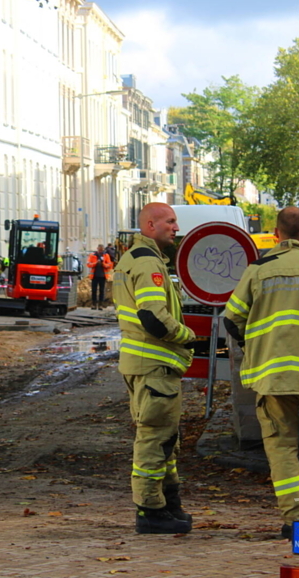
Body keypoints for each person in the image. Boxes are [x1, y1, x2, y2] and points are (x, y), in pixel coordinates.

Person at [112, 202, 198, 534]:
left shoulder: (134, 259)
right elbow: (152, 316)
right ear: (150, 225)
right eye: (170, 221)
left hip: (145, 364)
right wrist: (188, 336)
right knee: (154, 439)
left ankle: (167, 505)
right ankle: (150, 511)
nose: (176, 227)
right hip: (154, 364)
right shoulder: (148, 263)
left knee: (165, 440)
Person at [223, 206, 299, 540]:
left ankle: (296, 519)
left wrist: (254, 345)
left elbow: (231, 319)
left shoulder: (259, 270)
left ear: (276, 234)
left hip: (275, 376)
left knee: (282, 447)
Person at [86, 244, 114, 310]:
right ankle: (93, 304)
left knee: (102, 291)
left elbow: (109, 265)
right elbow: (88, 264)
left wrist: (103, 264)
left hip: (103, 276)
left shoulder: (106, 255)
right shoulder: (92, 255)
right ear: (97, 248)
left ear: (103, 249)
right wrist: (96, 263)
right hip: (94, 276)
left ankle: (101, 304)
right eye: (99, 249)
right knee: (94, 290)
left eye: (102, 249)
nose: (100, 250)